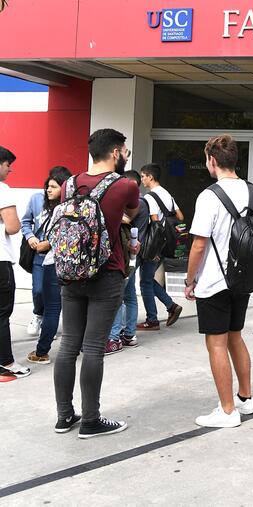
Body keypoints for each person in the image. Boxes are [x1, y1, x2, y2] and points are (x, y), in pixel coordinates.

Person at [53, 129, 140, 437]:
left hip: (71, 273)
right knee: (93, 348)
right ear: (116, 152)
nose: (127, 155)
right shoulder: (125, 185)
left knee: (68, 346)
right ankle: (91, 420)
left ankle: (65, 416)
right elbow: (131, 213)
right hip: (107, 272)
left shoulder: (68, 184)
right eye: (125, 151)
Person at [184, 134, 253, 428]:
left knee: (216, 344)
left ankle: (228, 411)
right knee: (235, 336)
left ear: (212, 161)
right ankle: (245, 397)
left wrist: (190, 280)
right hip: (242, 279)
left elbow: (199, 245)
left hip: (215, 281)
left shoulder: (209, 196)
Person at [23, 166, 72, 364]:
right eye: (47, 186)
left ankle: (43, 349)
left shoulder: (68, 207)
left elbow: (67, 234)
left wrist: (49, 243)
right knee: (38, 291)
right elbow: (25, 222)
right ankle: (38, 315)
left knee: (54, 305)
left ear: (64, 188)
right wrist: (31, 237)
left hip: (57, 260)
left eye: (53, 186)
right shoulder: (36, 200)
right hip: (38, 256)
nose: (48, 190)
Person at [105, 170, 149, 354]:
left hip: (129, 255)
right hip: (131, 255)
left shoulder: (137, 204)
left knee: (119, 297)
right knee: (129, 295)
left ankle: (114, 337)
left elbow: (126, 223)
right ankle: (129, 334)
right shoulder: (139, 203)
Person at [136, 163, 183, 331]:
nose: (142, 180)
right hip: (166, 243)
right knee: (148, 279)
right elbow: (180, 216)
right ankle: (171, 306)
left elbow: (155, 220)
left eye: (143, 176)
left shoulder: (150, 197)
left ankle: (152, 319)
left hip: (154, 246)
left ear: (150, 177)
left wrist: (154, 250)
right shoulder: (167, 194)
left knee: (145, 282)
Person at [0, 145, 29, 380]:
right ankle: (5, 362)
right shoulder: (3, 189)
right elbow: (13, 226)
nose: (10, 170)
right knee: (1, 313)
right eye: (8, 165)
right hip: (0, 260)